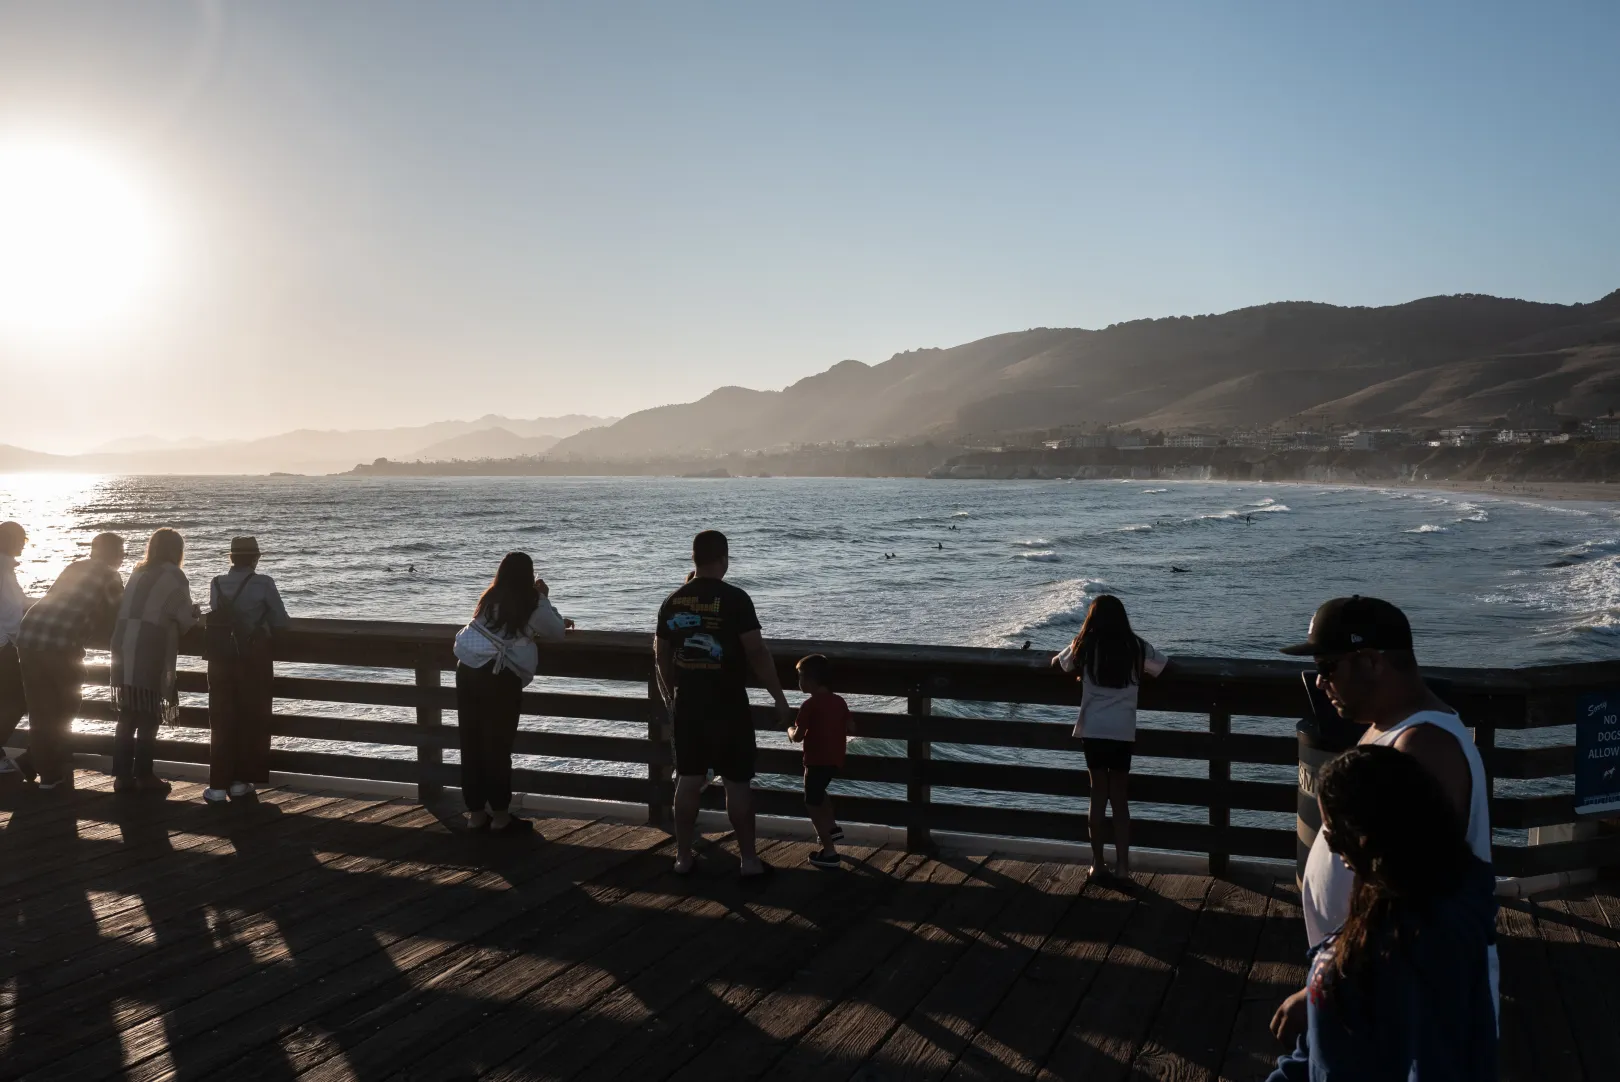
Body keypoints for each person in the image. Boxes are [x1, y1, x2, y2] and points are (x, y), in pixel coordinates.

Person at [1272, 595, 1496, 1042]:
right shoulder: (1390, 725)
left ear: (1372, 662)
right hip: (1375, 984)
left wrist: (1326, 985)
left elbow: (1416, 898)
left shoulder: (1425, 748)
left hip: (1406, 999)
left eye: (1328, 666)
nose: (1319, 682)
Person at [1268, 745, 1498, 1081]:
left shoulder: (1430, 936)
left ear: (1368, 833)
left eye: (1334, 833)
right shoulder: (1379, 902)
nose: (1332, 848)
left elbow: (1438, 1063)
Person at [654, 529, 792, 878]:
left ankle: (683, 858)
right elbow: (757, 652)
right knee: (737, 782)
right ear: (724, 559)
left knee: (688, 780)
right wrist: (779, 698)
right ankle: (749, 861)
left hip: (688, 704)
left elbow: (661, 655)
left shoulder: (672, 601)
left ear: (694, 558)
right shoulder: (735, 599)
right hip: (728, 703)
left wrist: (671, 696)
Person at [452, 552, 571, 833]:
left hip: (467, 670)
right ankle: (501, 817)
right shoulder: (532, 601)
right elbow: (556, 632)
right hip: (499, 677)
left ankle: (476, 815)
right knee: (497, 745)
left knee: (471, 742)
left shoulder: (489, 597)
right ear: (528, 575)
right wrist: (544, 597)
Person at [1051, 594, 1169, 877]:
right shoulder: (1136, 646)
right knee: (1119, 799)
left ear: (1092, 619)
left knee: (1097, 796)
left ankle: (1098, 864)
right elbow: (1164, 667)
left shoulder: (1085, 644)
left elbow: (1058, 664)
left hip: (1093, 730)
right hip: (1122, 731)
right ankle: (1123, 867)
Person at [13, 532, 126, 789]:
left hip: (30, 633)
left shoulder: (75, 566)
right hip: (60, 641)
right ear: (113, 554)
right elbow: (118, 614)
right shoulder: (110, 576)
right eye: (122, 552)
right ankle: (48, 772)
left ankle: (36, 762)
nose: (123, 557)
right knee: (67, 703)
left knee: (41, 707)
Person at [110, 528, 200, 794]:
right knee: (149, 713)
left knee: (127, 713)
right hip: (148, 646)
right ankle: (144, 775)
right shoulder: (174, 574)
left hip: (122, 643)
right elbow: (183, 617)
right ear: (177, 550)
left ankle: (122, 777)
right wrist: (194, 614)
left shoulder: (138, 571)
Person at [204, 536, 291, 803]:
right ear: (255, 558)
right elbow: (281, 621)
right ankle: (241, 782)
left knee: (221, 719)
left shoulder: (216, 582)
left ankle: (217, 787)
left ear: (231, 558)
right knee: (251, 718)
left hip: (220, 659)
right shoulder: (264, 582)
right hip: (253, 660)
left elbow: (218, 614)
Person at [787, 654, 852, 869]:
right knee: (819, 792)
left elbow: (798, 736)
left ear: (810, 680)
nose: (799, 682)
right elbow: (852, 726)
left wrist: (789, 730)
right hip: (835, 759)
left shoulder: (809, 705)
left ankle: (829, 852)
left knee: (812, 803)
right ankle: (832, 828)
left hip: (816, 760)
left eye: (800, 677)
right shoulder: (839, 701)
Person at [0, 521, 29, 775]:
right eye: (21, 539)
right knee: (18, 700)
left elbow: (17, 603)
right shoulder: (3, 568)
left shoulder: (7, 568)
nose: (23, 544)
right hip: (3, 646)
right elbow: (11, 612)